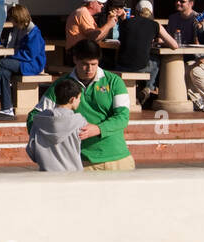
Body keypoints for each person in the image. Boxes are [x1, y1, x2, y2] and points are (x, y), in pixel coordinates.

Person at [29, 40, 133, 171]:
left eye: (94, 64)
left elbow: (122, 117)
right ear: (75, 59)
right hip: (82, 163)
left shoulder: (115, 82)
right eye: (85, 64)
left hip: (118, 159)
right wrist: (47, 138)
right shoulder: (61, 85)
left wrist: (98, 129)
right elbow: (34, 117)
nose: (89, 69)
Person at [0, 4, 46, 117]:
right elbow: (11, 44)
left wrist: (11, 54)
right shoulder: (19, 30)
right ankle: (7, 108)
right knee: (4, 72)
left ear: (18, 19)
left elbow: (29, 55)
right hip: (22, 62)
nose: (12, 23)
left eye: (13, 20)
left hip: (31, 65)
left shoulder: (34, 32)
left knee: (1, 64)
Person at [119, 0, 178, 104]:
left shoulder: (125, 22)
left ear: (136, 11)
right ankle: (149, 88)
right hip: (141, 67)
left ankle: (143, 91)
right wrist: (160, 42)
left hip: (121, 65)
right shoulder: (155, 25)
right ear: (151, 12)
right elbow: (174, 45)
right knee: (155, 61)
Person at [165, 0, 204, 111]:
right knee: (183, 70)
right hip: (188, 55)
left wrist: (202, 58)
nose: (178, 3)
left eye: (182, 1)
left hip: (201, 57)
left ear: (191, 3)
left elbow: (201, 44)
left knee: (196, 72)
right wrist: (201, 30)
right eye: (177, 0)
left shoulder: (198, 18)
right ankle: (198, 100)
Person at [25, 76, 86, 172]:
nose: (80, 101)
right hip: (73, 175)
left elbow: (31, 149)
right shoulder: (79, 121)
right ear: (72, 99)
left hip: (47, 175)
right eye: (79, 98)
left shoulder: (39, 120)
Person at [64, 0, 119, 64]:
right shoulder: (82, 13)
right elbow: (93, 37)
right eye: (99, 3)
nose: (102, 5)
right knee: (111, 63)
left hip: (82, 51)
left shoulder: (86, 14)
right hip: (79, 54)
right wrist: (108, 24)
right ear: (91, 4)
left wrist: (109, 24)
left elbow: (99, 37)